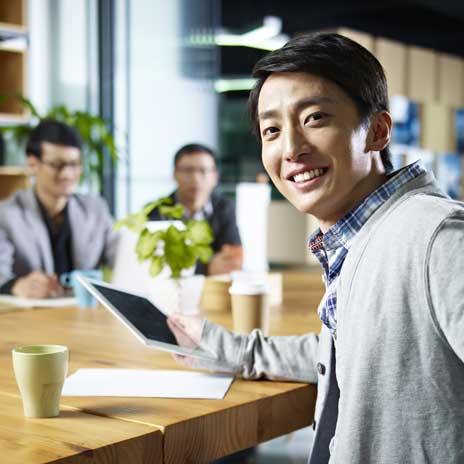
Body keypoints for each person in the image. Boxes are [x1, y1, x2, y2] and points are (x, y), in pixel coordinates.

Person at [166, 32, 464, 463]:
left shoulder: (436, 235)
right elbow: (357, 350)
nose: (291, 148)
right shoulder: (364, 238)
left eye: (315, 118)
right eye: (272, 130)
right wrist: (221, 346)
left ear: (377, 131)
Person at [0, 120, 118, 299]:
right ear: (32, 164)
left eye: (74, 164)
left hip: (83, 314)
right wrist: (16, 286)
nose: (67, 174)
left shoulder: (95, 209)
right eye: (57, 165)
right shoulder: (6, 215)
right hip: (30, 317)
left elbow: (122, 256)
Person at [149, 143, 243, 275]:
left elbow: (232, 257)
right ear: (175, 174)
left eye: (203, 171)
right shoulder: (156, 211)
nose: (195, 179)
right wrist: (207, 267)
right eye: (188, 171)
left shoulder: (224, 208)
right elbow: (158, 264)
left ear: (215, 177)